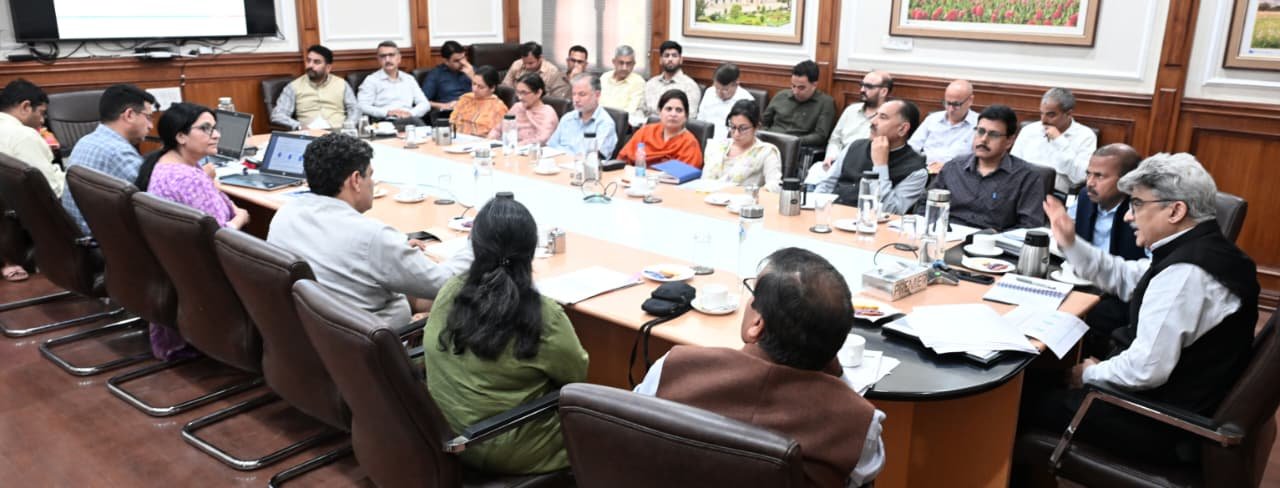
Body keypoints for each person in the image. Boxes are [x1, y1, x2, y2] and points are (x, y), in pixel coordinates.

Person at [1022, 153, 1259, 467]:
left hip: (1156, 422)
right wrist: (1070, 242)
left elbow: (1146, 369)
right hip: (1166, 401)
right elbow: (1124, 277)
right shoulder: (1205, 251)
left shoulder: (1186, 274)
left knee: (1020, 396)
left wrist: (1088, 374)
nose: (1128, 217)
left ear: (1175, 210)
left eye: (1137, 204)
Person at [635, 247, 884, 488]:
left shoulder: (673, 368)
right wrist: (837, 371)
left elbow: (633, 438)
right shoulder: (860, 424)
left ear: (757, 324)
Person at [423, 196, 588, 475]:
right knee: (610, 431)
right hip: (509, 447)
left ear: (475, 245)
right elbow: (577, 376)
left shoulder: (451, 290)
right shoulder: (544, 315)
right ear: (531, 250)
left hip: (446, 432)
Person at [268, 133, 472, 327]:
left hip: (315, 334)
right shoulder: (372, 237)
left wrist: (395, 251)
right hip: (382, 343)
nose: (372, 183)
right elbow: (446, 282)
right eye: (371, 176)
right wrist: (476, 243)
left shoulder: (286, 213)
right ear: (356, 180)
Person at [134, 102, 250, 360]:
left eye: (215, 128)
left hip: (176, 264)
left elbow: (215, 204)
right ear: (181, 136)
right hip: (203, 267)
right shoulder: (189, 178)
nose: (216, 135)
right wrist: (240, 217)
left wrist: (229, 205)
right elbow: (221, 237)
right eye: (206, 129)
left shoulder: (164, 162)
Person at [930, 105, 1046, 231]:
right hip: (947, 235)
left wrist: (994, 237)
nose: (984, 139)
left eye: (994, 135)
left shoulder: (1026, 177)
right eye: (980, 131)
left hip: (995, 241)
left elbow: (1029, 226)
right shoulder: (953, 167)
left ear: (1009, 141)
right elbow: (925, 205)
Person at [61, 84, 157, 235]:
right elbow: (156, 205)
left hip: (79, 232)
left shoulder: (86, 140)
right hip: (102, 240)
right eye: (149, 117)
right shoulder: (119, 153)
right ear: (129, 115)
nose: (151, 126)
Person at [818, 99, 927, 215]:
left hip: (871, 223)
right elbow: (826, 185)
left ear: (902, 129)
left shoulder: (917, 170)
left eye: (883, 117)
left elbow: (890, 211)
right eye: (875, 115)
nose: (873, 121)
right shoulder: (855, 146)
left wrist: (880, 166)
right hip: (833, 214)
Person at [0, 79, 60, 281]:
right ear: (26, 107)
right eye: (41, 113)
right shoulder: (23, 135)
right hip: (23, 224)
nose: (42, 121)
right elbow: (51, 191)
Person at [1011, 87, 1097, 195]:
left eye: (1051, 115)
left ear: (1069, 114)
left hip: (1057, 194)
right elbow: (1013, 166)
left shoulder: (1085, 136)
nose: (1043, 120)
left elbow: (1080, 177)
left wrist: (1059, 141)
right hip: (1023, 190)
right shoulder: (1029, 131)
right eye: (1042, 113)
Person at [271, 44, 360, 131]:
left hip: (339, 132)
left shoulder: (342, 84)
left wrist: (348, 126)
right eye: (308, 61)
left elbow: (355, 109)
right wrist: (299, 126)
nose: (310, 65)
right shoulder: (293, 86)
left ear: (328, 68)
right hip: (310, 134)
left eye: (316, 62)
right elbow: (277, 115)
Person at [701, 99, 782, 191]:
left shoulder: (766, 151)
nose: (736, 134)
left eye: (743, 128)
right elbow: (703, 182)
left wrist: (755, 192)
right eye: (733, 127)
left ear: (756, 127)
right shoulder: (717, 146)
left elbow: (775, 185)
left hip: (743, 198)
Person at [617, 89, 703, 168]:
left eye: (679, 110)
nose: (673, 114)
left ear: (686, 116)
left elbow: (687, 174)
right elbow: (622, 159)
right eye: (668, 109)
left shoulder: (689, 143)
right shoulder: (646, 131)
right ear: (659, 112)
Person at [823, 71, 891, 169]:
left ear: (883, 92)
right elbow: (835, 140)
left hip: (863, 167)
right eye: (862, 85)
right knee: (814, 173)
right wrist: (831, 157)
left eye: (868, 86)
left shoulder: (889, 117)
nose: (862, 90)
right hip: (836, 163)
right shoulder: (851, 110)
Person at [763, 60, 835, 151]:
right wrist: (765, 136)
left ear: (814, 85)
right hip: (769, 143)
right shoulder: (781, 95)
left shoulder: (825, 103)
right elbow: (763, 122)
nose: (795, 92)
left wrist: (793, 141)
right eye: (793, 86)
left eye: (801, 88)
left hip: (796, 148)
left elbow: (820, 136)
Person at [908, 79, 977, 172]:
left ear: (970, 100)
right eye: (948, 103)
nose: (951, 109)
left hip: (957, 173)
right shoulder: (932, 119)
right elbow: (912, 147)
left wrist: (947, 167)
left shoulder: (979, 124)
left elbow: (978, 160)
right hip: (925, 170)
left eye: (956, 104)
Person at [357, 41, 430, 127]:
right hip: (385, 122)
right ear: (378, 59)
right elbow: (361, 106)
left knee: (415, 122)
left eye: (391, 55)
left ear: (399, 58)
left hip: (410, 119)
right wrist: (387, 112)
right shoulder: (371, 80)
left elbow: (425, 104)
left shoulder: (409, 79)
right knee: (418, 125)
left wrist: (410, 113)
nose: (387, 60)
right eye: (383, 56)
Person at [546, 73, 618, 160]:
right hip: (558, 164)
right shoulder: (567, 118)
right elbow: (551, 147)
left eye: (582, 94)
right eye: (574, 94)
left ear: (597, 95)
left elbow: (593, 158)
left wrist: (566, 156)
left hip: (583, 167)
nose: (576, 99)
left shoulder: (605, 124)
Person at [488, 74, 558, 145]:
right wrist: (489, 140)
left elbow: (542, 139)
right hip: (508, 147)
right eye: (518, 92)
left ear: (538, 93)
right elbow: (498, 129)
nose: (520, 97)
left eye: (524, 93)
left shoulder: (547, 113)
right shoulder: (517, 107)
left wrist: (518, 145)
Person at [643, 41, 701, 121]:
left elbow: (690, 116)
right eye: (666, 56)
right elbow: (641, 110)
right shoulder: (651, 84)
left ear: (681, 60)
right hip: (647, 126)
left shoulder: (690, 86)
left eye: (674, 56)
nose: (670, 59)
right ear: (660, 60)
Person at [695, 63, 754, 139]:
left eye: (725, 90)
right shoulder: (709, 92)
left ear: (736, 83)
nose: (720, 93)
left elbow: (746, 132)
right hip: (705, 139)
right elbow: (700, 119)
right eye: (717, 88)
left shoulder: (747, 100)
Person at [449, 65, 508, 138]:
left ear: (492, 88)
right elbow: (452, 121)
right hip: (456, 138)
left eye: (480, 87)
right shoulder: (465, 98)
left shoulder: (498, 108)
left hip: (481, 142)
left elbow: (498, 135)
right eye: (474, 84)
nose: (475, 89)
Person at [501, 42, 569, 101]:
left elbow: (556, 99)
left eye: (530, 63)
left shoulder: (552, 72)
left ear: (540, 58)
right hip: (517, 100)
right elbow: (505, 86)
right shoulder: (517, 64)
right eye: (524, 63)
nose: (527, 66)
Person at [422, 40, 475, 113]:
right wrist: (443, 105)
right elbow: (423, 101)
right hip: (450, 112)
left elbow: (488, 95)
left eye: (463, 58)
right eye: (457, 61)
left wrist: (473, 77)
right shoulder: (436, 74)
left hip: (474, 110)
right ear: (446, 61)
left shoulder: (472, 70)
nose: (462, 62)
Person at [600, 45, 646, 127]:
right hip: (599, 121)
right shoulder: (604, 77)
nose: (624, 68)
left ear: (634, 64)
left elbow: (630, 111)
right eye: (621, 63)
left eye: (628, 64)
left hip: (620, 125)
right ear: (614, 62)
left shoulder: (638, 82)